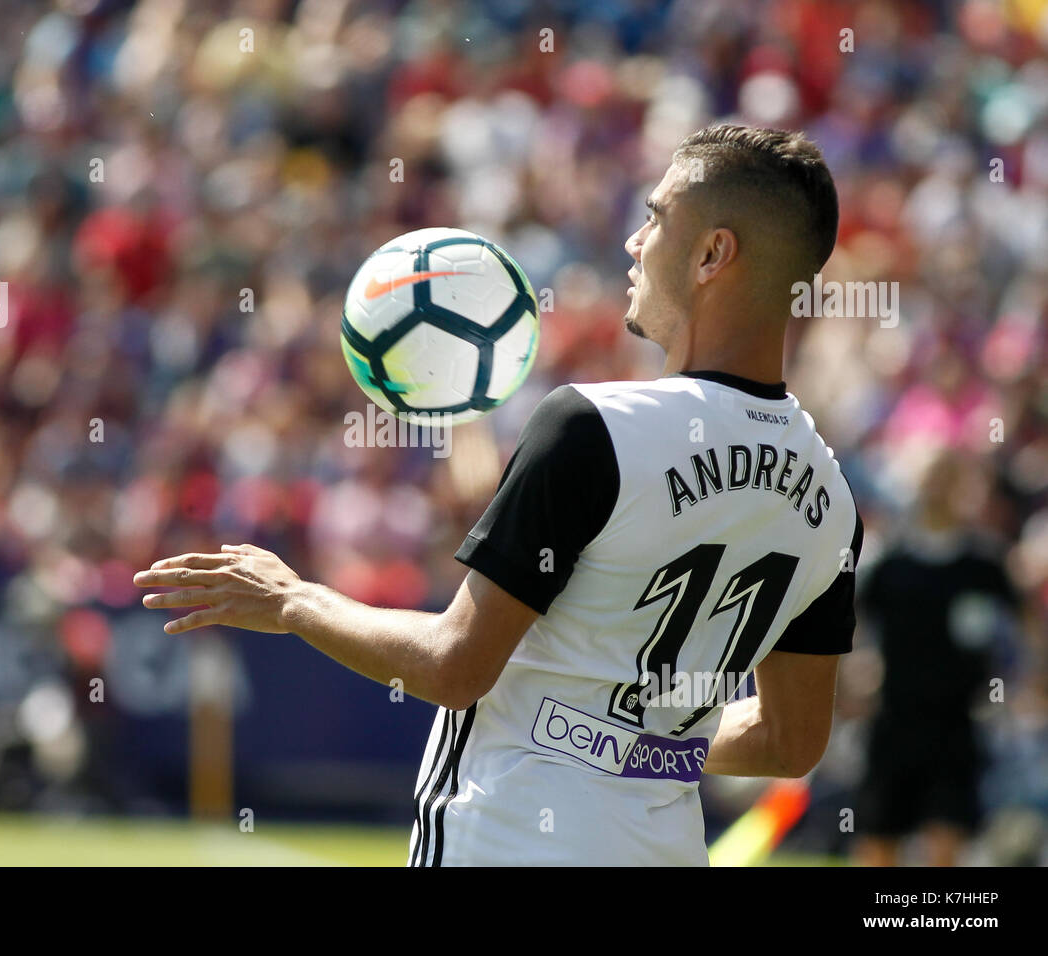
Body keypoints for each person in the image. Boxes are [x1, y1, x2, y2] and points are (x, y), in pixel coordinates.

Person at [134, 125, 862, 866]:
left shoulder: (593, 427)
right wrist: (641, 744)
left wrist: (294, 601)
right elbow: (791, 739)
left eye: (656, 217)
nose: (634, 243)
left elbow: (455, 667)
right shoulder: (833, 498)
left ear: (712, 254)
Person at [854, 444, 1019, 866]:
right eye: (930, 478)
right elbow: (852, 633)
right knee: (878, 840)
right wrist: (853, 683)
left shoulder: (984, 564)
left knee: (946, 838)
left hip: (956, 724)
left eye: (947, 478)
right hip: (894, 720)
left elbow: (1024, 629)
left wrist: (1014, 689)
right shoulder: (888, 564)